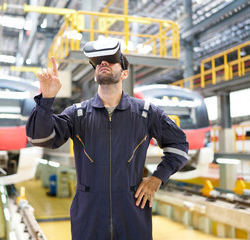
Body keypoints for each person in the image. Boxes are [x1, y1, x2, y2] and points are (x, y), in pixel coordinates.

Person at [26, 39, 189, 240]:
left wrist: (158, 178)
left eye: (111, 60)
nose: (103, 63)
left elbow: (179, 145)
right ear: (95, 73)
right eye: (98, 62)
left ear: (125, 73)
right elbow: (39, 138)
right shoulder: (77, 115)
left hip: (133, 215)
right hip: (89, 217)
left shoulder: (146, 113)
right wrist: (46, 99)